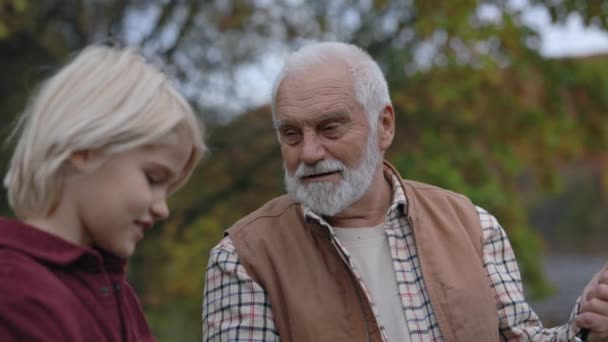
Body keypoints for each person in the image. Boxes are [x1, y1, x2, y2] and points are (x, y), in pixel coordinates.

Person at [202, 41, 608, 342]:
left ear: (385, 126)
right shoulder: (243, 258)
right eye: (291, 134)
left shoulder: (471, 225)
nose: (309, 152)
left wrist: (585, 328)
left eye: (330, 128)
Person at [0, 45, 205, 341]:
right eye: (153, 178)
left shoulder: (117, 294)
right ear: (84, 150)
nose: (163, 209)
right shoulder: (14, 290)